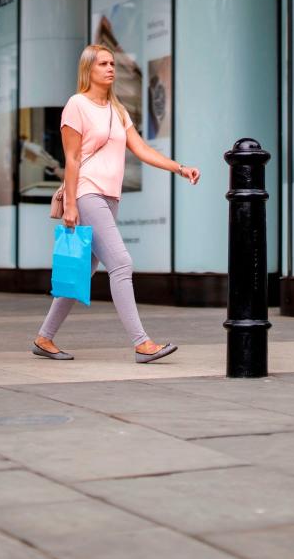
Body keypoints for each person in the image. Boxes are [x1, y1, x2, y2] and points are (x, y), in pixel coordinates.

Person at [33, 44, 200, 364]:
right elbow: (72, 158)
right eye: (103, 64)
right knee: (121, 264)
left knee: (82, 270)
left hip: (110, 197)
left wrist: (179, 168)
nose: (111, 68)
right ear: (89, 70)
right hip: (87, 192)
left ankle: (44, 337)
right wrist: (70, 203)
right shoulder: (76, 105)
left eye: (112, 63)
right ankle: (142, 343)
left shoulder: (117, 109)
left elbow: (141, 149)